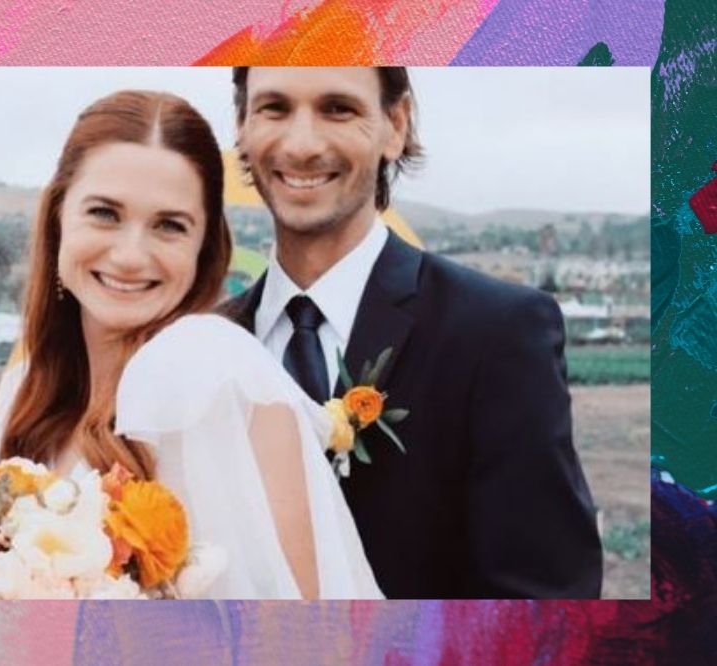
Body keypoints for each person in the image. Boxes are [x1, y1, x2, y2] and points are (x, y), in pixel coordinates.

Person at [0, 90, 381, 599]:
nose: (131, 255)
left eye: (169, 226)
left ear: (204, 248)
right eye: (105, 214)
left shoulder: (216, 370)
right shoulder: (26, 390)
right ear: (58, 218)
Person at [220, 67, 603, 598]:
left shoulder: (496, 330)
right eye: (274, 108)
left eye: (338, 108)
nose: (302, 144)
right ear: (242, 124)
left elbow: (545, 607)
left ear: (395, 125)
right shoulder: (211, 345)